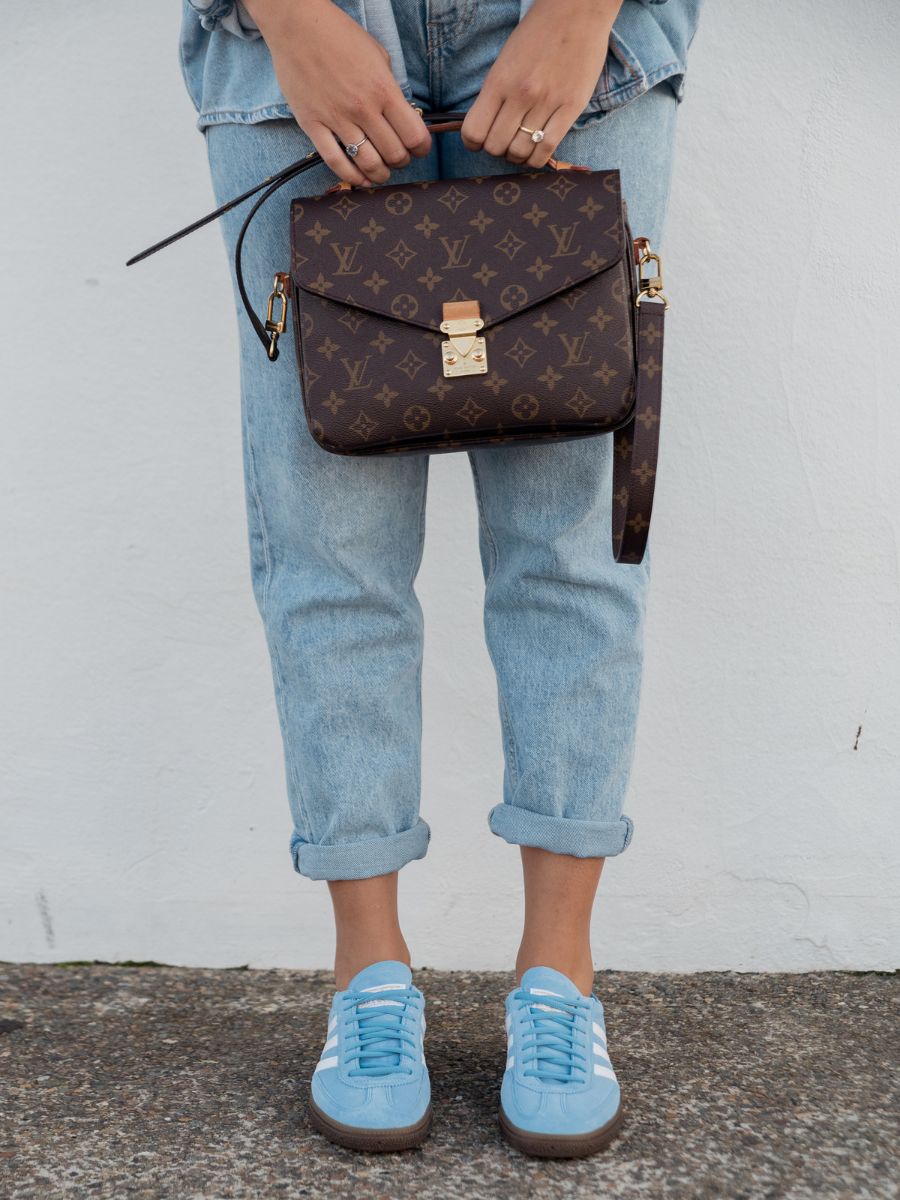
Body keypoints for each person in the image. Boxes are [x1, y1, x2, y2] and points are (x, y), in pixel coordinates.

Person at [178, 0, 701, 1158]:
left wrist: (580, 10)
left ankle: (558, 980)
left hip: (577, 32)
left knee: (570, 541)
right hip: (292, 37)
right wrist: (291, 17)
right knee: (331, 545)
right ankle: (370, 980)